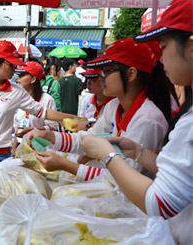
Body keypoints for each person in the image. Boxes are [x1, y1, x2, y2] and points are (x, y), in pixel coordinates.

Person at [80, 0, 193, 221]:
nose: (159, 59)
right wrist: (138, 152)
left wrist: (108, 154)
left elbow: (161, 204)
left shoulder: (155, 119)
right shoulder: (114, 107)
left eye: (163, 46)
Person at [28, 37, 172, 181]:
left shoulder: (148, 120)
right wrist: (50, 137)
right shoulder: (114, 106)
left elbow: (125, 179)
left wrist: (66, 165)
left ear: (131, 74)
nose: (101, 77)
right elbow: (88, 139)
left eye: (107, 71)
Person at [0, 41, 79, 161]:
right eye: (12, 64)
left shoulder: (17, 91)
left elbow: (44, 113)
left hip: (1, 156)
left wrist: (74, 119)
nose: (15, 69)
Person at [12, 61, 58, 156]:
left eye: (22, 75)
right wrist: (14, 149)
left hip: (40, 147)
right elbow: (18, 127)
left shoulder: (47, 100)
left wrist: (33, 129)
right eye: (18, 75)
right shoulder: (18, 98)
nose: (18, 78)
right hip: (21, 148)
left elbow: (52, 127)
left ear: (33, 79)